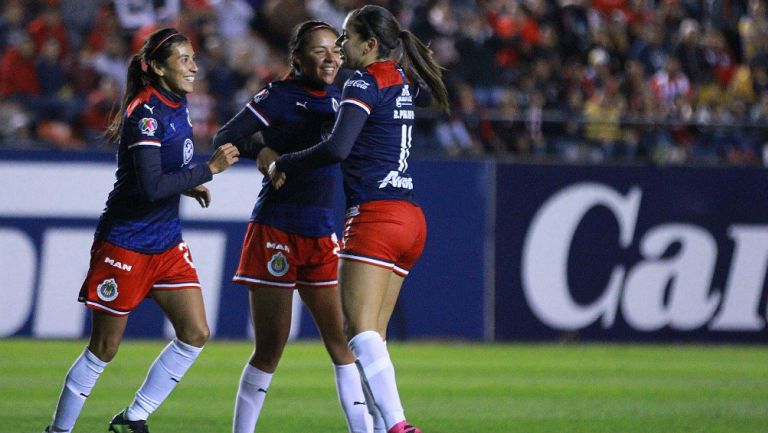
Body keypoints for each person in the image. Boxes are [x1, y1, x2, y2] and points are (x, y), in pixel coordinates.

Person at [43, 28, 240, 433]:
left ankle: (133, 418)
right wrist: (209, 170)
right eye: (183, 59)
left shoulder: (178, 102)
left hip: (165, 243)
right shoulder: (145, 113)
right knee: (105, 348)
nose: (193, 66)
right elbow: (150, 187)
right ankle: (58, 431)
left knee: (196, 332)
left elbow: (158, 174)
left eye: (193, 57)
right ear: (156, 67)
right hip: (127, 242)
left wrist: (189, 181)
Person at [268, 6, 450, 433]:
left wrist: (286, 163)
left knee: (358, 333)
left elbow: (336, 149)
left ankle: (398, 425)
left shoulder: (364, 81)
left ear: (370, 45)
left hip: (375, 217)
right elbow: (419, 90)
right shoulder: (401, 79)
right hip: (410, 218)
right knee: (374, 340)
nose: (340, 44)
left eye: (347, 36)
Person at [212, 20, 373, 433]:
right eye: (319, 51)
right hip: (276, 231)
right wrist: (263, 150)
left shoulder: (342, 100)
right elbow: (225, 136)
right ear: (297, 58)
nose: (331, 57)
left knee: (343, 344)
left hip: (321, 233)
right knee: (271, 348)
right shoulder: (280, 96)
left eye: (335, 50)